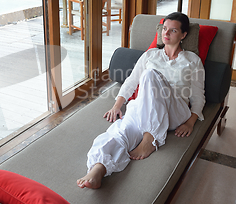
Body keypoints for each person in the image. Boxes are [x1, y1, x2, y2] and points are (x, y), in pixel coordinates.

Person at [77, 12, 205, 189]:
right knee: (121, 132)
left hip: (175, 111)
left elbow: (198, 96)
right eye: (164, 29)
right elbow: (131, 82)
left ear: (183, 35)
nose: (166, 34)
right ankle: (98, 169)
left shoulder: (193, 60)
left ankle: (150, 139)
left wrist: (191, 122)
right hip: (144, 108)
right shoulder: (151, 55)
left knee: (150, 74)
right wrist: (117, 106)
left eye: (173, 31)